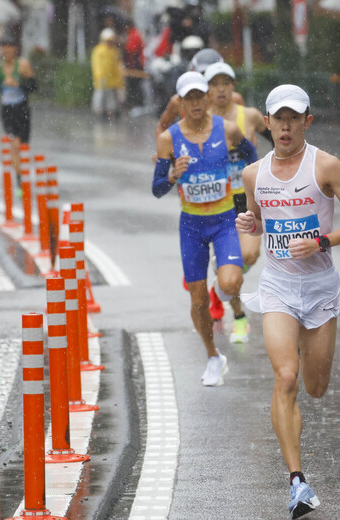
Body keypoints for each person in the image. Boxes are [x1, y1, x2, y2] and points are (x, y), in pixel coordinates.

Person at [235, 84, 340, 518]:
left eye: (295, 118)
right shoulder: (253, 174)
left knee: (315, 386)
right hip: (276, 286)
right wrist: (249, 224)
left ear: (307, 121)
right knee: (286, 377)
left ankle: (289, 421)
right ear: (267, 122)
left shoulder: (325, 166)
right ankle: (297, 483)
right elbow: (258, 221)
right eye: (280, 118)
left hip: (319, 289)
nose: (287, 126)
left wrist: (323, 241)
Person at [152, 71, 258, 385]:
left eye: (200, 96)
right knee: (197, 302)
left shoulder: (228, 130)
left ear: (208, 98)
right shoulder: (168, 139)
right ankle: (213, 356)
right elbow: (156, 188)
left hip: (225, 221)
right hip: (192, 226)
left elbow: (252, 162)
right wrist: (172, 175)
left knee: (231, 281)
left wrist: (244, 184)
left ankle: (226, 291)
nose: (196, 103)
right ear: (181, 102)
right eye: (190, 98)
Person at [203, 61, 271, 342]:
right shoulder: (200, 119)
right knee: (229, 265)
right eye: (215, 84)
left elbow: (282, 141)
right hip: (216, 201)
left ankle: (220, 287)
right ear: (207, 90)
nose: (221, 89)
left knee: (251, 255)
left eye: (226, 83)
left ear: (233, 86)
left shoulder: (250, 116)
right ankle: (239, 314)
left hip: (247, 198)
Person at [0, 34, 36, 187]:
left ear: (16, 49)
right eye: (4, 47)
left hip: (21, 108)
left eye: (9, 47)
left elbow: (34, 87)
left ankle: (21, 175)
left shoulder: (23, 65)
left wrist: (18, 84)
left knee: (22, 145)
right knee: (14, 144)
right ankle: (19, 180)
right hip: (7, 110)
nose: (6, 50)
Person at [91, 28, 125, 120]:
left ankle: (111, 111)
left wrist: (119, 77)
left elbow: (117, 65)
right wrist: (99, 75)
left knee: (111, 96)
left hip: (112, 79)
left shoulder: (114, 51)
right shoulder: (99, 50)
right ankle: (99, 111)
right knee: (100, 94)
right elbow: (96, 64)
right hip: (102, 77)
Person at [123, 21, 146, 110]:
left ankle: (138, 104)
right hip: (135, 63)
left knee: (135, 86)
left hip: (135, 64)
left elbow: (131, 50)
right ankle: (136, 104)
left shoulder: (134, 35)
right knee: (135, 86)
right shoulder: (135, 34)